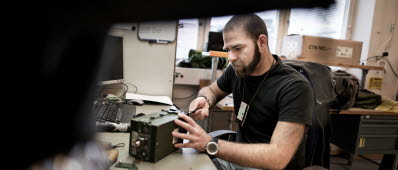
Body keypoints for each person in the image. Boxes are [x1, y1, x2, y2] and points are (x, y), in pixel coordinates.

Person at [172, 13, 314, 170]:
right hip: (236, 160)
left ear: (261, 42)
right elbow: (212, 90)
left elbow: (277, 157)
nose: (231, 57)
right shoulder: (238, 70)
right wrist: (205, 100)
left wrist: (210, 144)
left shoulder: (295, 87)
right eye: (228, 50)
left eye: (238, 48)